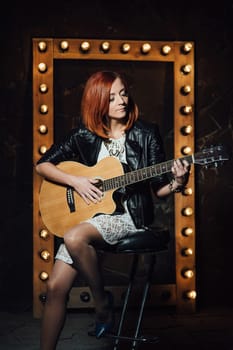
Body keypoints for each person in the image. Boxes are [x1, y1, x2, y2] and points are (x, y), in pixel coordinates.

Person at [35, 70, 190, 350]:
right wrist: (76, 181)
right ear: (97, 102)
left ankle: (101, 302)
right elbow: (42, 165)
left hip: (127, 217)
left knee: (73, 237)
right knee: (55, 288)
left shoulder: (146, 133)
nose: (121, 100)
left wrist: (178, 181)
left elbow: (158, 189)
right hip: (87, 217)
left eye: (124, 93)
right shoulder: (83, 135)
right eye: (112, 97)